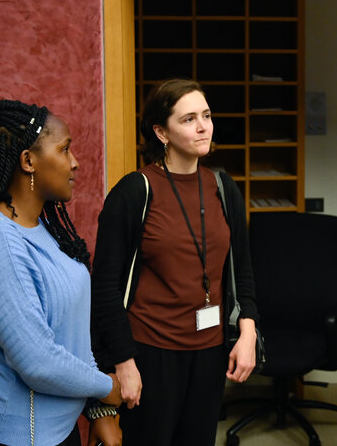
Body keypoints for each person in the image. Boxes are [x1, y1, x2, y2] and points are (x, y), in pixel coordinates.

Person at [0, 98, 123, 446]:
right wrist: (108, 388)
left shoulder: (43, 228)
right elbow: (37, 362)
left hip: (58, 430)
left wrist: (98, 409)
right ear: (28, 161)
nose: (75, 163)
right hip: (13, 435)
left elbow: (72, 336)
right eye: (64, 150)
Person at [91, 79, 259, 445]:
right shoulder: (135, 191)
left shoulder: (223, 187)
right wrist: (123, 362)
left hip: (209, 350)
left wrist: (248, 330)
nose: (203, 126)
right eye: (188, 119)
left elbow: (241, 267)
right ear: (160, 131)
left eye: (207, 115)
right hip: (151, 351)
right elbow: (104, 286)